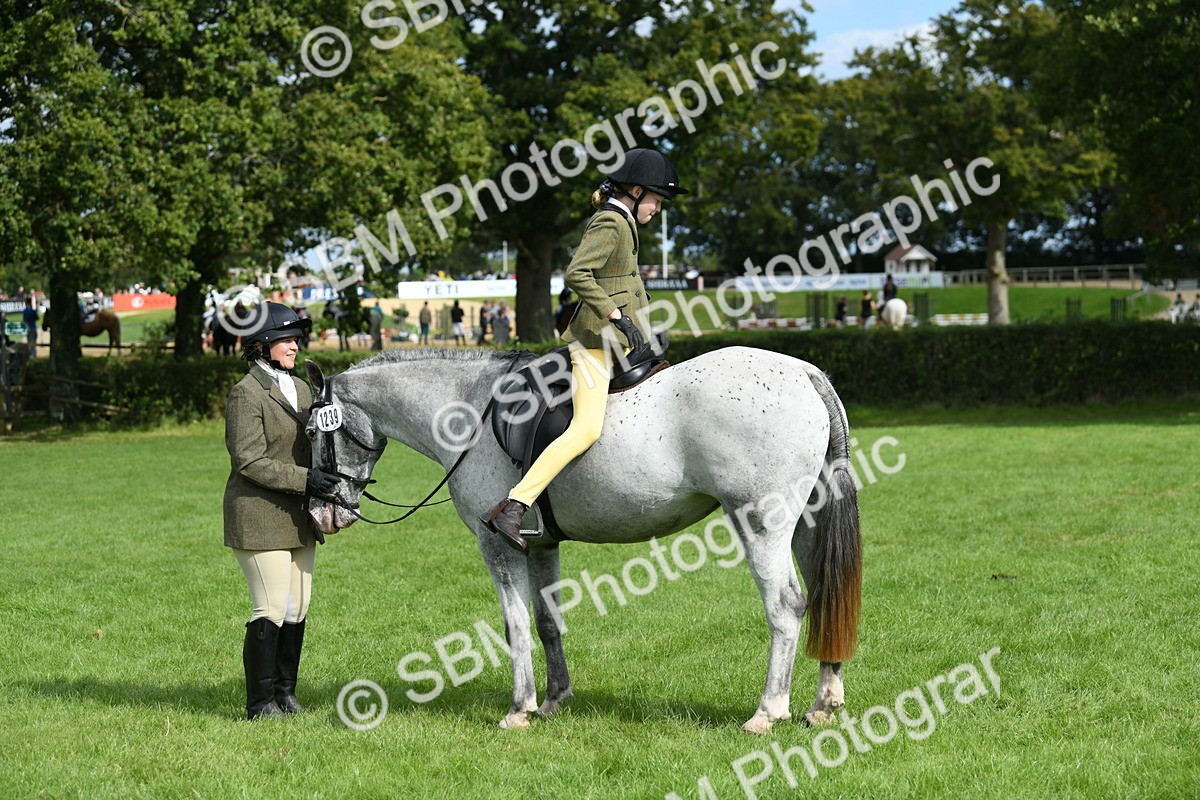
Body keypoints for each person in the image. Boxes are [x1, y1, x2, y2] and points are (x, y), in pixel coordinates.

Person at [481, 147, 687, 552]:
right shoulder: (611, 221)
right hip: (595, 343)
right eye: (657, 200)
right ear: (634, 190)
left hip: (620, 340)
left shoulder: (624, 222)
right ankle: (514, 505)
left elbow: (624, 280)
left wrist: (644, 326)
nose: (658, 209)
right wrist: (613, 314)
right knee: (587, 429)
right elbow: (578, 272)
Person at [223, 302, 333, 720]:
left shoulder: (304, 389)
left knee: (297, 607)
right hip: (259, 512)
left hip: (299, 514)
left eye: (296, 338)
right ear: (263, 344)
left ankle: (285, 695)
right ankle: (259, 704)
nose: (295, 345)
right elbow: (247, 461)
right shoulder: (246, 393)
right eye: (287, 339)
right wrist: (306, 480)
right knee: (269, 607)